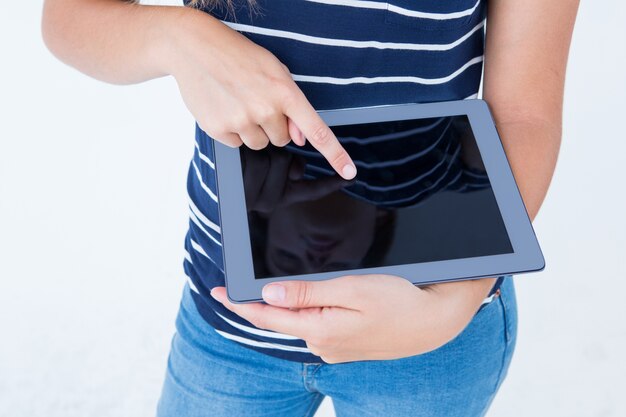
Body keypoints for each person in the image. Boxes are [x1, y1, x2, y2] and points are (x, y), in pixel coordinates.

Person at [41, 0, 580, 415]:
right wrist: (175, 35)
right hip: (229, 320)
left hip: (428, 323)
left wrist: (454, 302)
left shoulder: (442, 313)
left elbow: (525, 115)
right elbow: (68, 18)